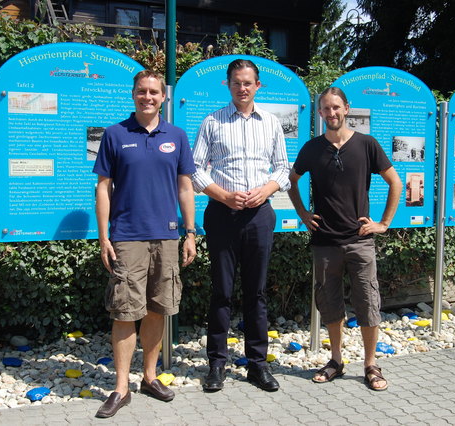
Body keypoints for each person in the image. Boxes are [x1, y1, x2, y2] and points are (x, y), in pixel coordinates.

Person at [93, 70, 196, 418]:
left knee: (158, 308)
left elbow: (186, 188)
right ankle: (121, 387)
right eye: (142, 91)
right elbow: (103, 188)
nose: (148, 97)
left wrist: (191, 232)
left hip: (167, 236)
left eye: (154, 92)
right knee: (125, 311)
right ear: (133, 94)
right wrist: (104, 236)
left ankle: (149, 377)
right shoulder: (115, 134)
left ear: (163, 97)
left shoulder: (177, 136)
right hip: (127, 237)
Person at [287, 87, 402, 391]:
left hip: (360, 240)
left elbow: (395, 182)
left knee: (367, 302)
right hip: (325, 241)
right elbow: (291, 181)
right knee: (330, 303)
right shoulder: (312, 148)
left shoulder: (366, 144)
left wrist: (384, 223)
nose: (332, 113)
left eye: (336, 107)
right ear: (320, 112)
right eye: (326, 108)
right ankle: (336, 360)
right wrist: (303, 213)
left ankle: (370, 364)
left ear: (346, 109)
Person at [192, 59, 290, 392]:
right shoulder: (212, 121)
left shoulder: (272, 123)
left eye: (248, 83)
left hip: (260, 215)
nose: (242, 88)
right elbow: (194, 170)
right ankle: (217, 363)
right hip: (222, 215)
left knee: (256, 293)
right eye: (236, 82)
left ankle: (257, 365)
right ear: (228, 84)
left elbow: (282, 169)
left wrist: (266, 189)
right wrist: (222, 195)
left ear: (257, 85)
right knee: (221, 291)